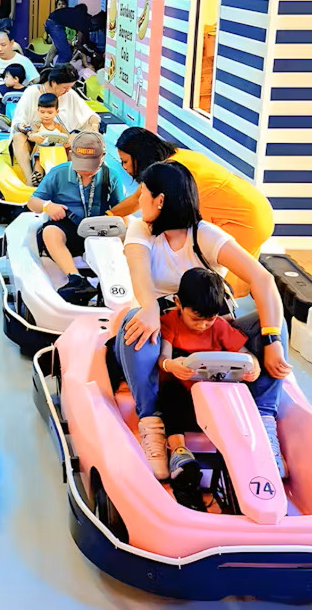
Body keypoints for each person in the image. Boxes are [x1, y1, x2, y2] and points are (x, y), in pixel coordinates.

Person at [112, 161, 291, 482]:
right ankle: (152, 422)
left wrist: (271, 340)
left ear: (159, 200)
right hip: (164, 326)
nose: (139, 200)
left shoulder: (205, 235)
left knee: (273, 325)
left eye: (142, 193)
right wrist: (149, 307)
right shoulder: (140, 230)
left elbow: (262, 279)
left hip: (210, 330)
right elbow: (139, 275)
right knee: (134, 321)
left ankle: (263, 420)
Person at [109, 127, 275, 296]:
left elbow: (141, 201)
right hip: (258, 209)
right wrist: (110, 216)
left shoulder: (172, 172)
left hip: (242, 220)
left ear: (139, 156)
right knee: (238, 279)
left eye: (125, 161)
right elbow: (140, 197)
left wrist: (109, 217)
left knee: (215, 287)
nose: (124, 167)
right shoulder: (178, 156)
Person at [156, 268, 265, 506]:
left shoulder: (220, 327)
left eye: (210, 319)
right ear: (178, 304)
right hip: (183, 399)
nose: (203, 325)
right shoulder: (170, 322)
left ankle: (245, 458)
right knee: (170, 393)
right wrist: (171, 365)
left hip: (215, 399)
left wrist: (253, 367)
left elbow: (246, 354)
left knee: (237, 396)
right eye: (196, 319)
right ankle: (179, 453)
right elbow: (163, 358)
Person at [25, 132, 123, 304]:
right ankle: (75, 279)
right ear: (71, 155)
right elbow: (32, 202)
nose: (86, 171)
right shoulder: (58, 173)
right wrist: (48, 206)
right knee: (50, 232)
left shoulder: (111, 176)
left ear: (102, 157)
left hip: (100, 227)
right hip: (66, 225)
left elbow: (121, 209)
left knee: (125, 233)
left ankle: (113, 281)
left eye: (91, 166)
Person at [9, 64, 100, 186]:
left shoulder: (69, 94)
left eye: (70, 87)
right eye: (65, 87)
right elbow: (18, 122)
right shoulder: (32, 93)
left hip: (62, 140)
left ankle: (76, 177)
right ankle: (31, 179)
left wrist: (94, 127)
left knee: (80, 136)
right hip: (36, 140)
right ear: (53, 83)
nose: (67, 90)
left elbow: (90, 115)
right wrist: (28, 130)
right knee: (18, 137)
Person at [18, 93, 69, 183]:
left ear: (56, 112)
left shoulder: (59, 127)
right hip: (41, 151)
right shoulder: (37, 126)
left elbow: (67, 138)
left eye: (50, 113)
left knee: (66, 155)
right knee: (38, 157)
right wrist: (34, 136)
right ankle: (38, 174)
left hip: (57, 151)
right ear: (38, 111)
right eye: (42, 112)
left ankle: (65, 175)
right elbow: (31, 135)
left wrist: (66, 142)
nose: (46, 115)